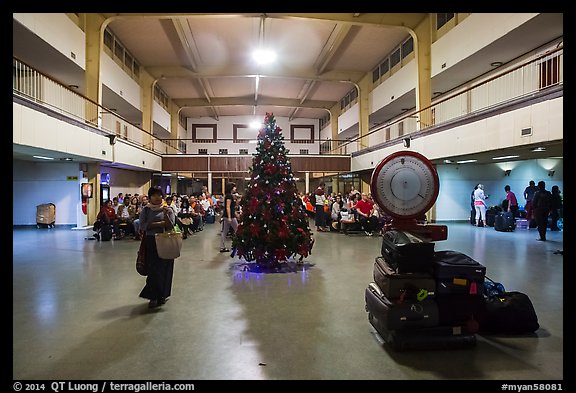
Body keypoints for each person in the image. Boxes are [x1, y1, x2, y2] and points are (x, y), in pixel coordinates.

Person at [138, 187, 176, 309]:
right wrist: (159, 224)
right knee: (153, 270)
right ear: (150, 197)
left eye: (159, 195)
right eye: (154, 195)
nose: (156, 197)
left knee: (165, 268)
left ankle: (162, 296)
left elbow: (171, 224)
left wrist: (163, 218)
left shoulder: (167, 209)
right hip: (151, 242)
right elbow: (143, 226)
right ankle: (152, 296)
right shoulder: (146, 210)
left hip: (165, 241)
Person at [220, 182, 238, 252]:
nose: (235, 188)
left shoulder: (229, 195)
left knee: (224, 231)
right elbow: (228, 207)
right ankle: (238, 245)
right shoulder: (229, 196)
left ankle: (222, 247)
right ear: (231, 188)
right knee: (237, 230)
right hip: (230, 216)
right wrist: (230, 217)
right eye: (234, 187)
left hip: (226, 216)